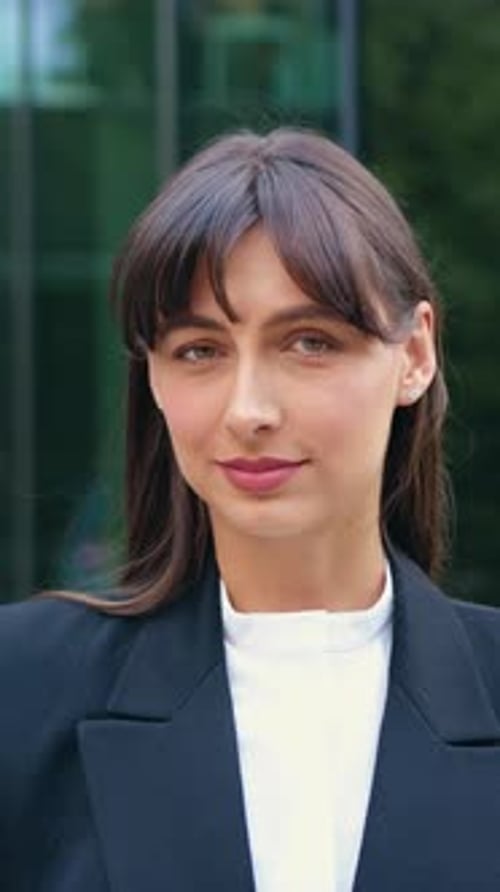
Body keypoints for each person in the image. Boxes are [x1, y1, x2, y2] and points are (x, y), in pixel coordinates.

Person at [2, 128, 500, 892]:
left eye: (308, 342)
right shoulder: (24, 687)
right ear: (155, 380)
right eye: (200, 350)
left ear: (414, 355)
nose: (249, 410)